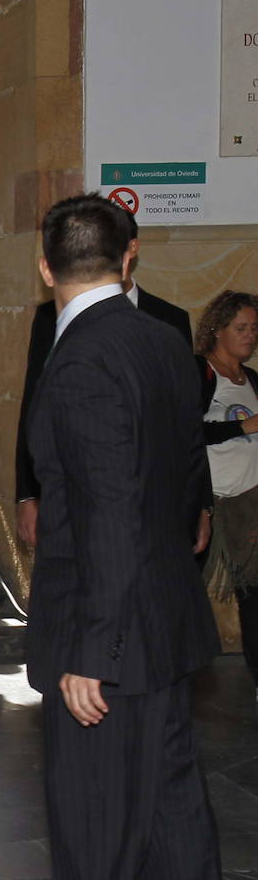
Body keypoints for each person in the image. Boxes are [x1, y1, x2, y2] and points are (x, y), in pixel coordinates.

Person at [0, 193, 233, 880]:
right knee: (172, 807)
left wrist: (89, 650)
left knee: (92, 818)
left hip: (108, 633)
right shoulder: (163, 338)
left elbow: (112, 513)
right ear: (128, 261)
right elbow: (185, 467)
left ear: (46, 269)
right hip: (166, 621)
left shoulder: (79, 358)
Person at [13, 208, 193, 548]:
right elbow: (33, 404)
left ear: (130, 253)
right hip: (74, 508)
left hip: (157, 507)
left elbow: (187, 422)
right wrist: (27, 494)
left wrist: (200, 504)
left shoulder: (170, 323)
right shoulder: (49, 318)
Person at [196, 290, 258, 694]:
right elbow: (186, 431)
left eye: (255, 328)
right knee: (184, 592)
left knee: (253, 594)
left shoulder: (252, 379)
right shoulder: (200, 372)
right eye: (241, 328)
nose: (250, 335)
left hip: (250, 503)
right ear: (217, 329)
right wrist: (241, 427)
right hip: (208, 505)